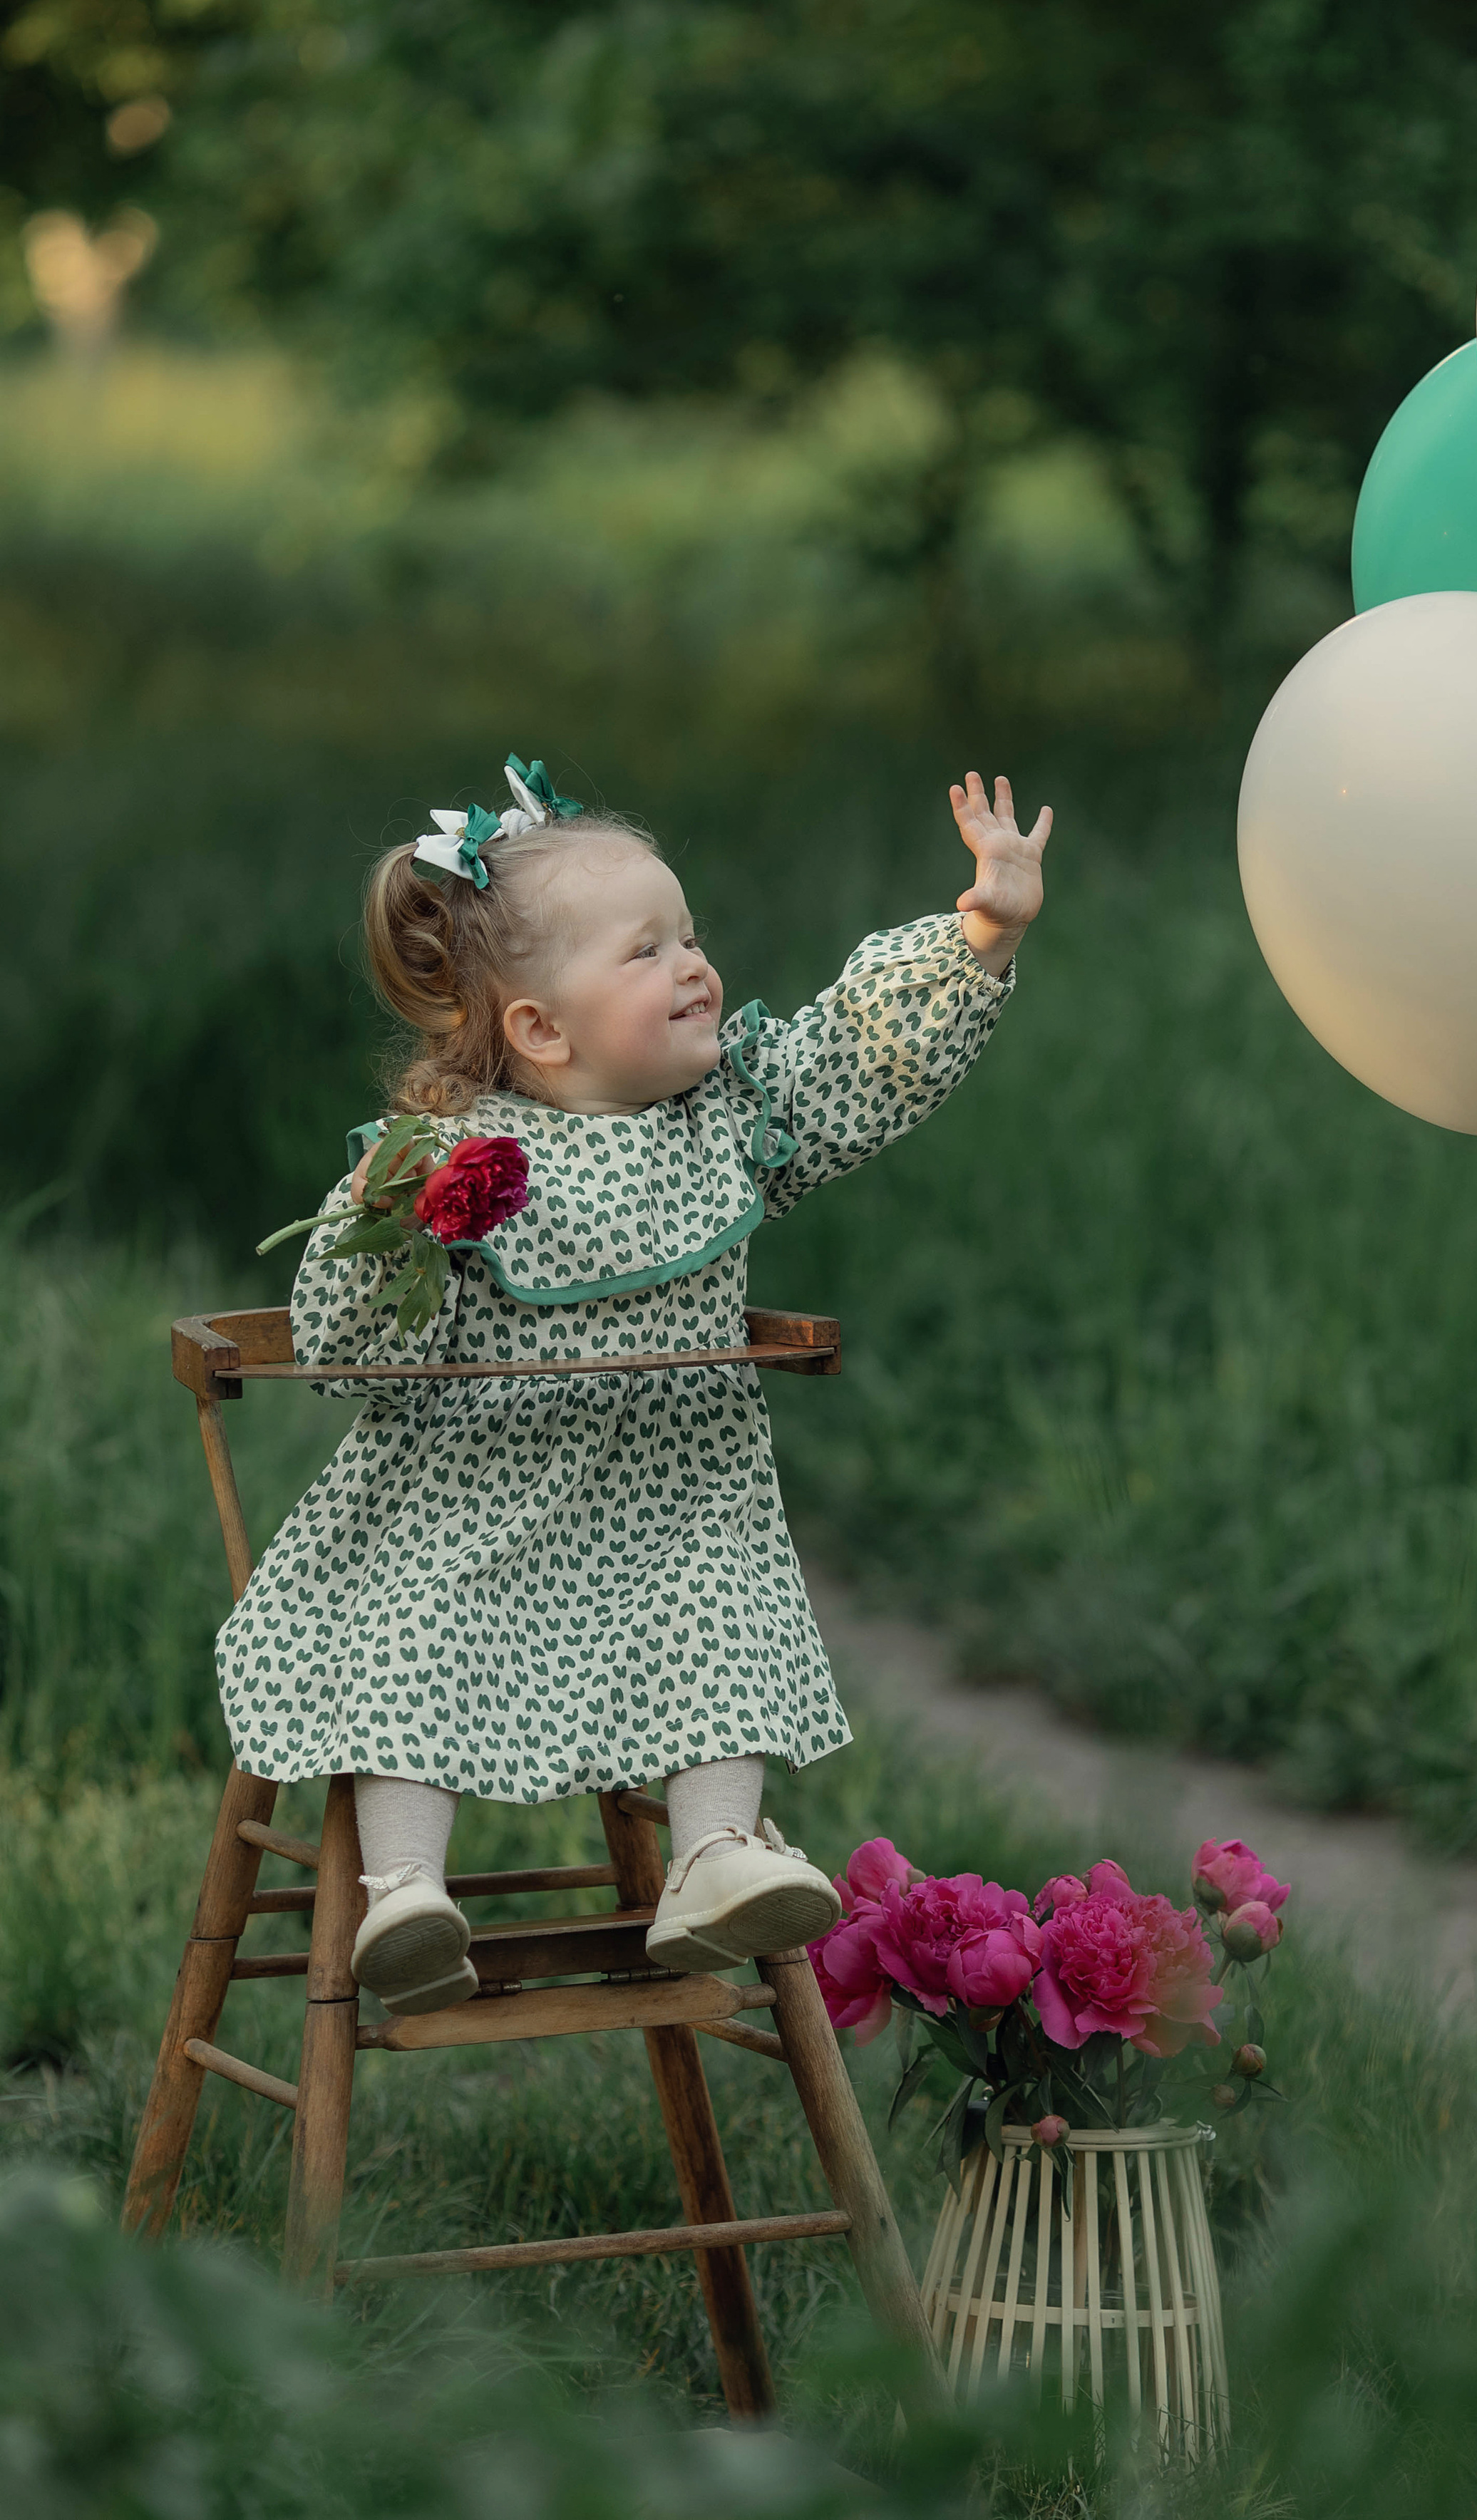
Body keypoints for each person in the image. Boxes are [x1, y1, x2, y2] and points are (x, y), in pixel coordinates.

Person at [216, 756, 1051, 2016]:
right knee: (409, 1636)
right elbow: (345, 1343)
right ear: (541, 1031)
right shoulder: (457, 1156)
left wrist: (982, 933)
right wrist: (394, 1224)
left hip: (674, 1506)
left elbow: (857, 1053)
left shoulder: (732, 1119)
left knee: (728, 1614)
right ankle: (405, 1895)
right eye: (648, 951)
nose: (695, 966)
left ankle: (714, 1859)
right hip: (469, 1507)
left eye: (690, 935)